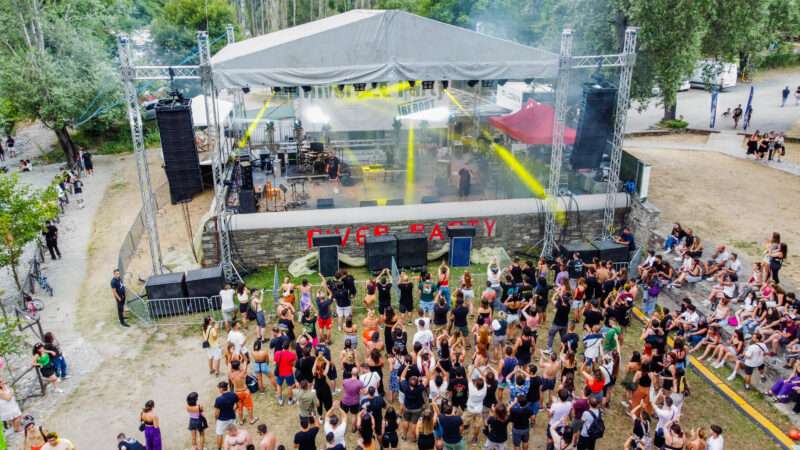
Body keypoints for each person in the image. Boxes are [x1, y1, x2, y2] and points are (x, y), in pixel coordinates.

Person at [214, 381, 239, 450]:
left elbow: (216, 413)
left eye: (219, 388)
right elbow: (237, 405)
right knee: (233, 432)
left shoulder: (219, 399)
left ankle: (219, 448)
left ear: (221, 389)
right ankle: (234, 446)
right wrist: (233, 410)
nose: (219, 390)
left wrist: (216, 420)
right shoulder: (233, 395)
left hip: (222, 420)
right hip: (232, 417)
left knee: (219, 434)